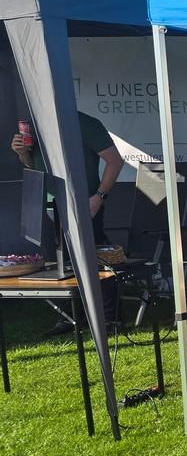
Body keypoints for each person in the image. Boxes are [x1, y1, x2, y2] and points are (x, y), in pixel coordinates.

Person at [11, 111, 123, 334]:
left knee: (94, 259)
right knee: (57, 261)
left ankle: (109, 318)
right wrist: (22, 153)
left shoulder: (85, 123)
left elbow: (115, 161)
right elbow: (33, 166)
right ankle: (70, 317)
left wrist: (99, 196)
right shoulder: (35, 125)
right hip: (49, 202)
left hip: (83, 203)